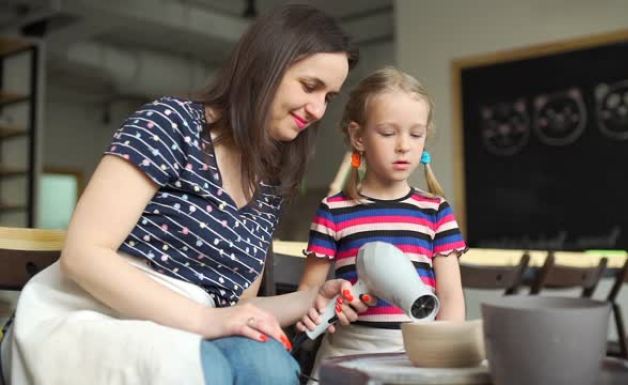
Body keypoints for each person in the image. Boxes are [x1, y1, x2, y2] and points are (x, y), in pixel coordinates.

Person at [0, 4, 367, 385]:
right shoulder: (171, 124)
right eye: (310, 87)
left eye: (329, 96)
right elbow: (83, 254)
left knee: (265, 360)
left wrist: (311, 299)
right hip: (96, 315)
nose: (318, 110)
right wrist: (205, 320)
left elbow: (236, 309)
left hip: (186, 329)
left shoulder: (268, 184)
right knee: (211, 365)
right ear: (265, 67)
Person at [296, 67, 468, 382]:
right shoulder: (334, 211)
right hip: (345, 355)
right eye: (388, 133)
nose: (404, 145)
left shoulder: (435, 211)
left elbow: (451, 295)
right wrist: (325, 306)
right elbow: (309, 291)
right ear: (358, 137)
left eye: (416, 134)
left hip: (415, 356)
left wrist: (444, 356)